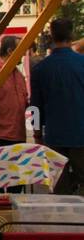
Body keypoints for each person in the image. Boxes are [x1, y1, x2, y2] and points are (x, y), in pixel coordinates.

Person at [29, 18, 84, 194]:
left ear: (52, 36)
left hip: (54, 136)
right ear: (72, 34)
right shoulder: (82, 63)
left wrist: (37, 133)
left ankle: (64, 217)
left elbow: (35, 106)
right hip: (81, 134)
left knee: (59, 185)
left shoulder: (40, 69)